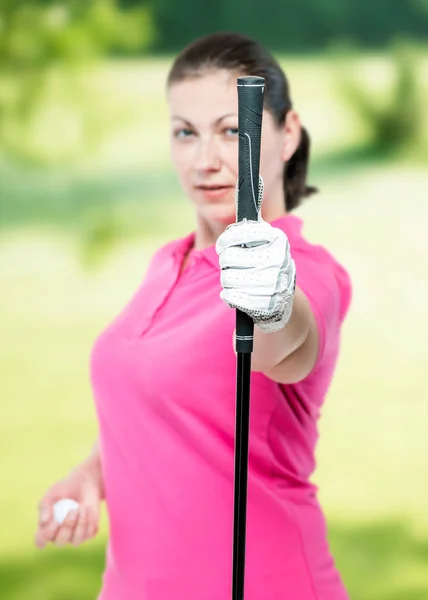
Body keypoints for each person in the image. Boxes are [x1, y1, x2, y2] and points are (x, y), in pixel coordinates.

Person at [34, 32, 352, 599]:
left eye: (233, 130)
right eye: (186, 132)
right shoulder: (169, 262)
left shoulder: (309, 271)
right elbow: (161, 402)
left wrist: (273, 300)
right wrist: (93, 474)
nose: (205, 160)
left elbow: (292, 340)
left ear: (286, 134)